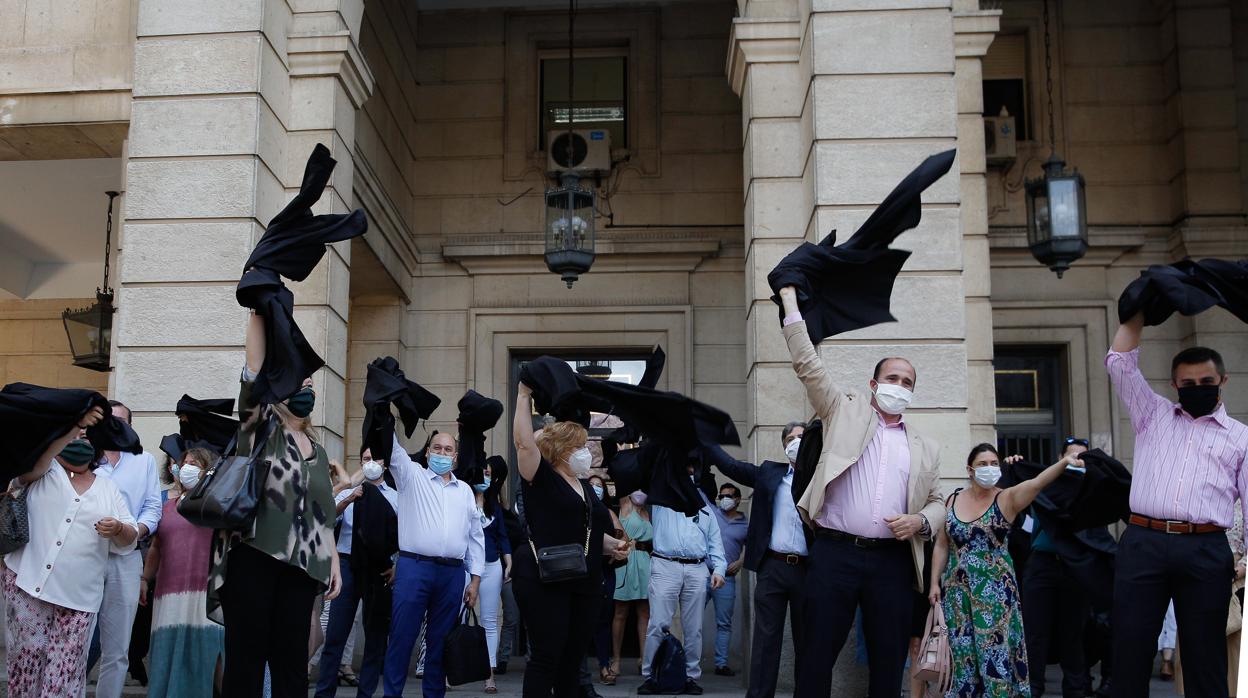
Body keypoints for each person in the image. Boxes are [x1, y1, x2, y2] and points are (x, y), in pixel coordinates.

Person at [776, 285, 945, 698]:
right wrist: (790, 304)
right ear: (873, 383)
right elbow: (807, 365)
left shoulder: (924, 445)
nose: (900, 386)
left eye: (907, 382)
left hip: (892, 562)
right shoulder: (841, 410)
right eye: (893, 378)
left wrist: (921, 520)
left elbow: (940, 502)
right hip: (835, 554)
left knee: (889, 662)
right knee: (815, 657)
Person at [1107, 313, 1248, 698]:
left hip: (1205, 547)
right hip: (1143, 542)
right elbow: (1119, 363)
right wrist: (1138, 311)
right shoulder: (1152, 415)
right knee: (1129, 650)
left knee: (1206, 659)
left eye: (1206, 382)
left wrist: (1244, 562)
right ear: (1174, 384)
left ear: (1222, 381)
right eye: (1187, 384)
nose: (1196, 388)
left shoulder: (1241, 438)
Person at [208, 312, 342, 698]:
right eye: (299, 380)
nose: (307, 387)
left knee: (291, 669)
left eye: (311, 383)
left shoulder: (318, 451)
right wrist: (259, 312)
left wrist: (332, 561)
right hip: (254, 557)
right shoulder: (260, 431)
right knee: (245, 666)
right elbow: (252, 374)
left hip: (302, 567)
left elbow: (323, 514)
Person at [931, 444, 1085, 697]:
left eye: (994, 463)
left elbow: (1037, 483)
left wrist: (1064, 462)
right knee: (962, 660)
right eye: (983, 464)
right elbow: (941, 544)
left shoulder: (1007, 498)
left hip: (995, 599)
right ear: (970, 470)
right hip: (958, 597)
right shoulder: (953, 499)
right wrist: (935, 583)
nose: (989, 468)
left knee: (996, 661)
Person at [4, 410, 139, 698]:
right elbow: (23, 475)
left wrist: (117, 528)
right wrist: (71, 426)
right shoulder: (44, 469)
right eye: (75, 435)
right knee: (26, 667)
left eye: (88, 437)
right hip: (27, 585)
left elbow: (130, 537)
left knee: (63, 677)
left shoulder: (108, 487)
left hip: (78, 598)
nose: (81, 440)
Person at [511, 381, 632, 698]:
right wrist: (524, 396)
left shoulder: (584, 487)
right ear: (563, 450)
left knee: (571, 661)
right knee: (546, 657)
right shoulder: (541, 477)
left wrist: (613, 546)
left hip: (585, 581)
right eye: (578, 446)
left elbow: (585, 534)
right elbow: (525, 444)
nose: (585, 451)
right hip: (546, 580)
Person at [705, 422, 810, 697]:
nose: (796, 442)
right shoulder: (769, 473)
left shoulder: (821, 476)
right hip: (773, 567)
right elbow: (731, 466)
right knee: (765, 641)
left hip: (809, 571)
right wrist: (704, 439)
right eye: (790, 438)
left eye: (801, 436)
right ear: (784, 445)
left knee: (808, 643)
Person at [383, 428, 485, 698]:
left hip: (452, 574)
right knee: (402, 638)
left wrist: (474, 580)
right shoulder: (411, 476)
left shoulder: (464, 491)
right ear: (427, 451)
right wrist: (384, 407)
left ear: (455, 458)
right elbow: (391, 448)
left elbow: (475, 537)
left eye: (448, 450)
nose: (442, 453)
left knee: (439, 644)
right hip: (414, 568)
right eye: (436, 448)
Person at [88, 400, 162, 698]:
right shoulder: (86, 458)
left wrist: (134, 532)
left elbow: (153, 507)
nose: (115, 426)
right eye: (110, 420)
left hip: (126, 557)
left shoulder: (143, 460)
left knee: (118, 646)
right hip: (86, 556)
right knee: (77, 637)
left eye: (122, 421)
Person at [637, 459, 727, 696]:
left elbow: (715, 543)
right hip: (665, 565)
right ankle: (651, 676)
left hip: (697, 569)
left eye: (690, 472)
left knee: (694, 628)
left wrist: (718, 569)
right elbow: (640, 488)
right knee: (658, 624)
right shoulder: (661, 498)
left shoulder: (705, 507)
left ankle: (690, 677)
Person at [316, 447, 398, 698]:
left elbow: (403, 536)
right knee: (336, 634)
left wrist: (397, 565)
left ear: (385, 464)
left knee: (374, 636)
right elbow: (327, 521)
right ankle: (324, 692)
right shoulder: (350, 492)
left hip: (380, 569)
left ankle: (366, 693)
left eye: (375, 459)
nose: (370, 463)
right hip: (347, 565)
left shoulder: (396, 497)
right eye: (365, 459)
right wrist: (349, 498)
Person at [143, 447, 225, 698]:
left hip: (206, 594)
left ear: (207, 472)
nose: (186, 467)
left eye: (195, 464)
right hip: (168, 595)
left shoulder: (216, 505)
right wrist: (145, 579)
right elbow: (156, 547)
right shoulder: (166, 507)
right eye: (184, 462)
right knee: (167, 653)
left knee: (210, 652)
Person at [1021, 437, 1094, 698]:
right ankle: (1033, 688)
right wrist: (1012, 466)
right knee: (1035, 633)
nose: (1076, 461)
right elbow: (1016, 495)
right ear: (1060, 459)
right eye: (1070, 456)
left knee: (1073, 634)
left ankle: (1076, 689)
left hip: (1076, 566)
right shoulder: (1045, 485)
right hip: (1043, 564)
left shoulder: (1094, 488)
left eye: (1082, 456)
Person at [474, 457, 513, 695]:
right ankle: (448, 672)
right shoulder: (463, 501)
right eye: (481, 474)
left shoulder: (495, 507)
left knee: (489, 621)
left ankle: (489, 675)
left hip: (491, 566)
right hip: (466, 567)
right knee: (455, 618)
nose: (484, 478)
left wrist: (508, 561)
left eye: (488, 474)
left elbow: (502, 536)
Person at [706, 481, 748, 677]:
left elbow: (755, 545)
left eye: (728, 496)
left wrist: (741, 561)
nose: (724, 500)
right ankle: (686, 663)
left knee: (724, 623)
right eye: (721, 496)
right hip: (703, 573)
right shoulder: (713, 513)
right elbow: (698, 491)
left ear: (738, 499)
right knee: (692, 619)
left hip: (727, 579)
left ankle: (721, 664)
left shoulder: (745, 524)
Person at [612, 490, 653, 679]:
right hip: (627, 559)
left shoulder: (647, 511)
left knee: (644, 612)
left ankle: (644, 659)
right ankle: (617, 660)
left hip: (645, 562)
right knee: (620, 612)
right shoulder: (626, 505)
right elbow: (623, 474)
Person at [496, 500, 525, 675]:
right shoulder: (503, 517)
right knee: (510, 618)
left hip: (514, 574)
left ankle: (528, 658)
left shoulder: (514, 521)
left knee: (517, 618)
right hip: (502, 573)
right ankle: (502, 659)